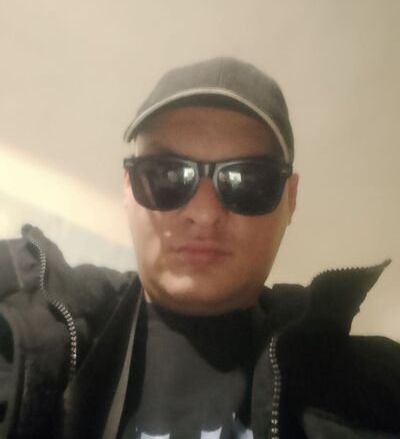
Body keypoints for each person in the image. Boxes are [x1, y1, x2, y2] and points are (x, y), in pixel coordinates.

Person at [0, 57, 399, 439]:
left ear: (290, 199)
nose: (204, 214)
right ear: (127, 187)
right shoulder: (21, 334)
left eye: (247, 180)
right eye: (166, 174)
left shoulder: (376, 391)